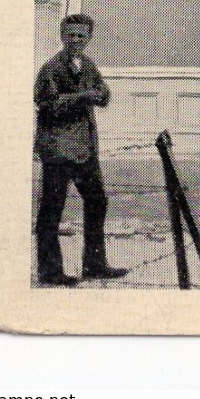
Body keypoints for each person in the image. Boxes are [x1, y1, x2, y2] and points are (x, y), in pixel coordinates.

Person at [34, 14, 126, 287]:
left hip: (84, 150)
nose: (76, 40)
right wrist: (84, 96)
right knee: (52, 210)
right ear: (62, 36)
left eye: (82, 35)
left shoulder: (87, 64)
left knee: (97, 202)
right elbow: (46, 104)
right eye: (71, 35)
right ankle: (50, 273)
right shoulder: (51, 68)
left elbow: (104, 94)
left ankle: (95, 265)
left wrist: (101, 93)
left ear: (89, 38)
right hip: (59, 150)